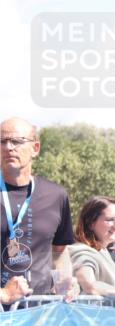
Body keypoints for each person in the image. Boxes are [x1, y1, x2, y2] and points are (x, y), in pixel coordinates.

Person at [1, 117, 79, 298]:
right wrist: (4, 294)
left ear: (35, 149)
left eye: (17, 141)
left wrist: (64, 282)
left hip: (39, 309)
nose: (8, 147)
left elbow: (59, 252)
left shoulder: (56, 195)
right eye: (2, 141)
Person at [68, 196, 115, 320]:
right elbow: (90, 285)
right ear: (91, 223)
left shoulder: (103, 252)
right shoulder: (81, 251)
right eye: (110, 220)